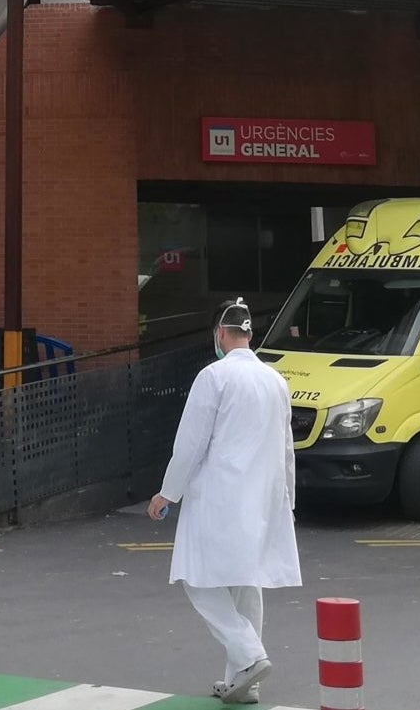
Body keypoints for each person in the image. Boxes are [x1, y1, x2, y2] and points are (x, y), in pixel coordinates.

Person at [148, 300, 302, 704]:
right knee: (246, 584)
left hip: (219, 496)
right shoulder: (276, 381)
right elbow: (287, 448)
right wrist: (288, 499)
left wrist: (168, 492)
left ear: (220, 332)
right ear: (249, 334)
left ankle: (250, 656)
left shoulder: (213, 377)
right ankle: (243, 682)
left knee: (197, 578)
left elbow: (191, 442)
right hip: (264, 498)